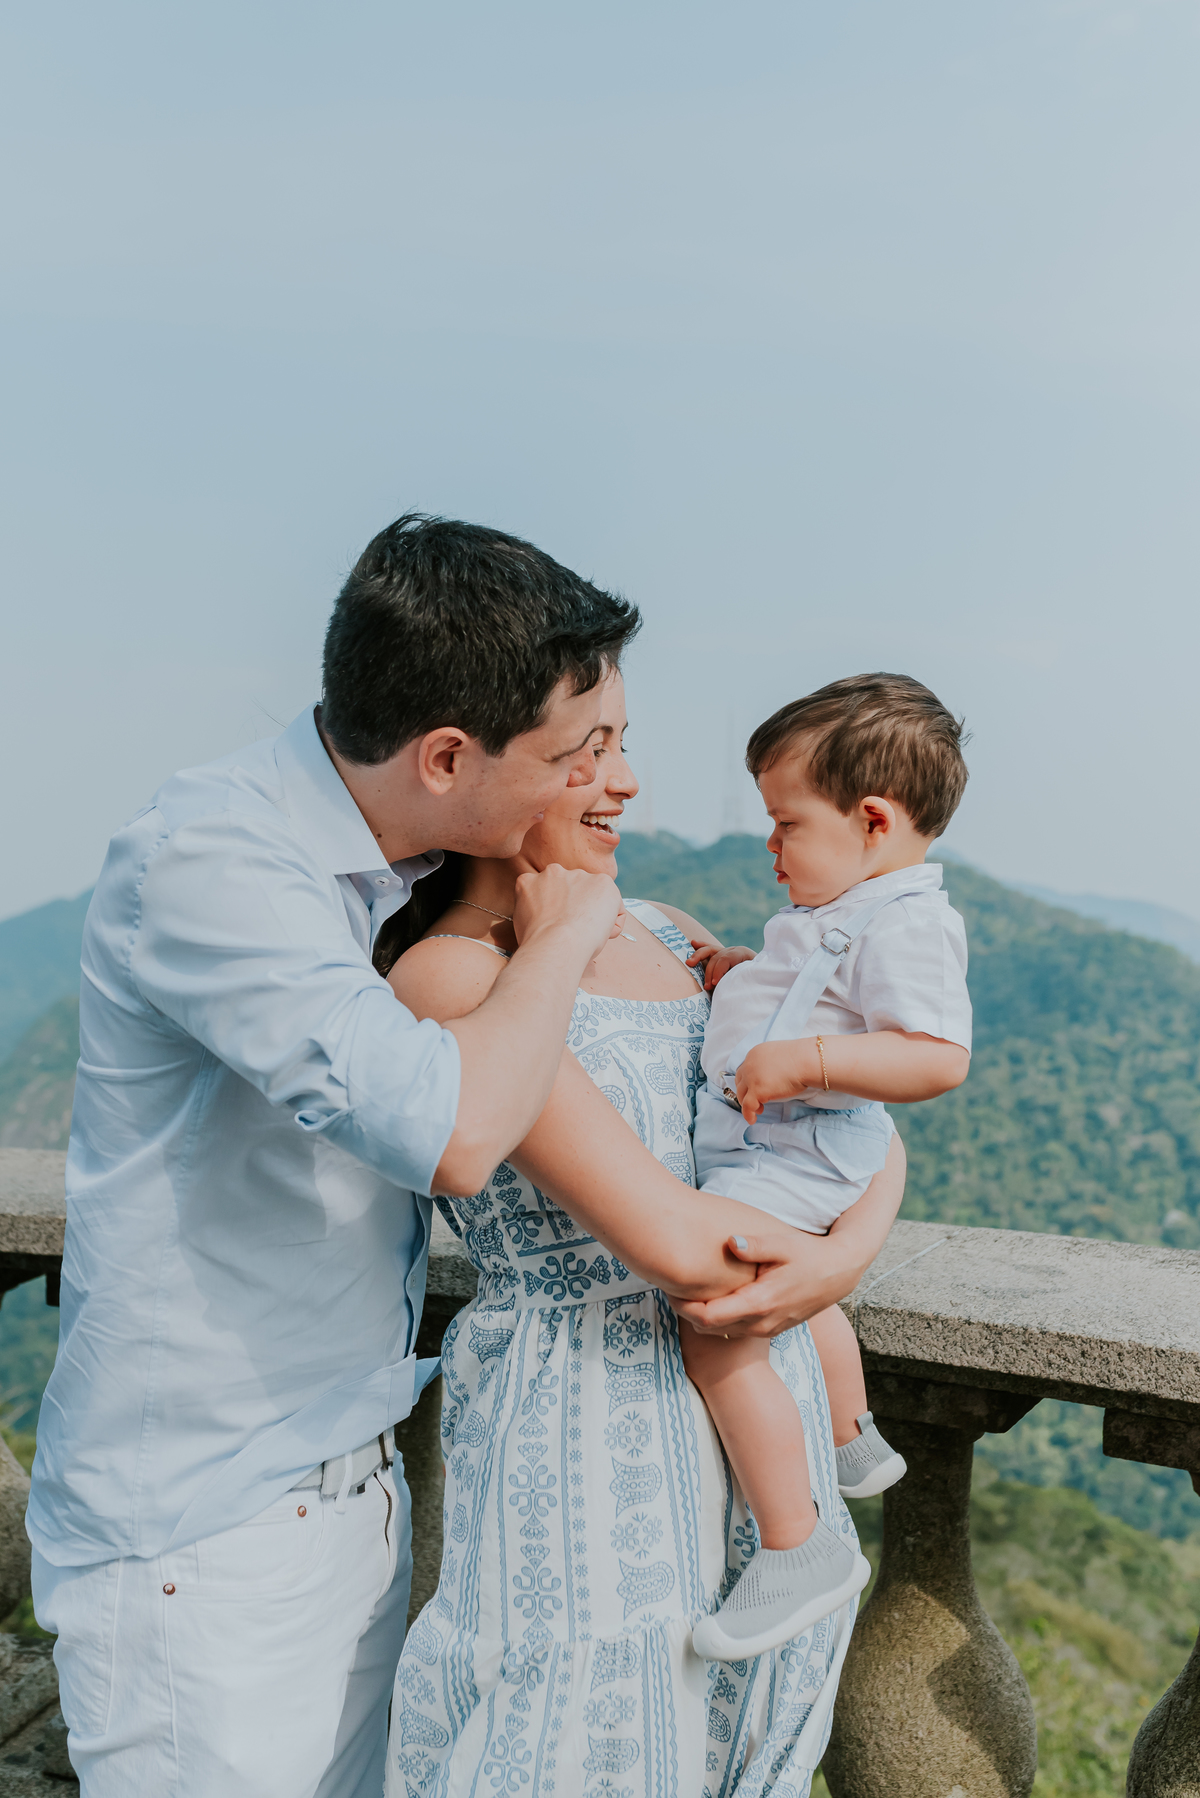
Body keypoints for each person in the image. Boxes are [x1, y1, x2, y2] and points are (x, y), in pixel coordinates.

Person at [27, 514, 642, 1798]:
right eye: (577, 752)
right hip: (206, 1537)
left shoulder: (401, 863)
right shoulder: (214, 859)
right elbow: (453, 1130)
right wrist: (567, 936)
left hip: (349, 1495)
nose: (605, 780)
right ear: (446, 755)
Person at [381, 669, 909, 1795]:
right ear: (480, 762)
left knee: (741, 1738)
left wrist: (841, 1253)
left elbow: (852, 1130)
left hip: (764, 1395)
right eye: (588, 751)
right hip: (586, 1431)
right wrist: (826, 1267)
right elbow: (665, 1236)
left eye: (622, 744)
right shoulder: (450, 973)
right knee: (576, 1737)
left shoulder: (676, 933)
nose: (624, 781)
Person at [685, 673, 973, 1662]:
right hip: (781, 1149)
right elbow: (802, 988)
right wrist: (736, 974)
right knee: (803, 1288)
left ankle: (796, 1542)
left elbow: (937, 1055)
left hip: (796, 1152)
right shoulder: (843, 904)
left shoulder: (908, 921)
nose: (771, 848)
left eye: (786, 824)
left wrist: (808, 1060)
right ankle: (852, 1433)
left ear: (874, 819)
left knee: (716, 1315)